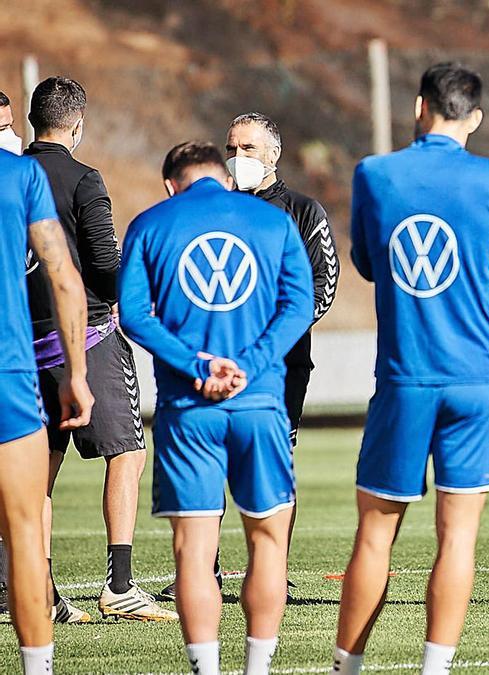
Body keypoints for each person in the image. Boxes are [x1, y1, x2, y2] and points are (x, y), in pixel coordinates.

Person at [331, 62, 489, 675]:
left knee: (374, 532)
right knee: (458, 535)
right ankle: (435, 669)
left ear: (419, 106)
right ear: (475, 117)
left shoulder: (375, 174)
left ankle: (348, 668)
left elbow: (367, 261)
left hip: (403, 377)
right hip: (475, 381)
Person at [118, 142, 312, 675]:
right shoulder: (271, 222)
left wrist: (198, 365)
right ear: (225, 178)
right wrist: (249, 363)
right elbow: (299, 304)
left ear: (169, 184)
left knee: (193, 552)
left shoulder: (150, 223)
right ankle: (259, 668)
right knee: (269, 541)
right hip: (260, 404)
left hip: (188, 408)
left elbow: (133, 315)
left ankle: (206, 669)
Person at [158, 111, 342, 601]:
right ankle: (203, 570)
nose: (238, 159)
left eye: (250, 150)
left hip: (280, 366)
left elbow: (323, 286)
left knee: (273, 463)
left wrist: (269, 345)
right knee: (207, 462)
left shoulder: (303, 210)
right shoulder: (212, 210)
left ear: (274, 155)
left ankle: (271, 569)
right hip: (210, 363)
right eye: (232, 149)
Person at [22, 76, 175, 622]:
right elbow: (104, 264)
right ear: (78, 124)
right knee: (128, 452)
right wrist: (129, 295)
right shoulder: (84, 180)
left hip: (22, 345)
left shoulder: (12, 176)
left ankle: (36, 586)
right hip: (84, 334)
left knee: (38, 470)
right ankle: (121, 584)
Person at [0, 136, 94, 675]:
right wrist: (76, 374)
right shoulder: (21, 176)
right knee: (25, 532)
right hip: (10, 377)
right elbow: (62, 275)